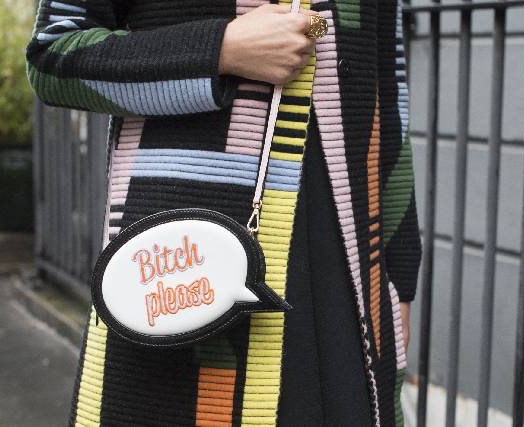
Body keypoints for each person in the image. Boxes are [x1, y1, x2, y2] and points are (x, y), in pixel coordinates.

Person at [26, 1, 422, 426]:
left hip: (349, 270)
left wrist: (400, 271)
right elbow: (54, 55)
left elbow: (386, 87)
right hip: (190, 263)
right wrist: (222, 49)